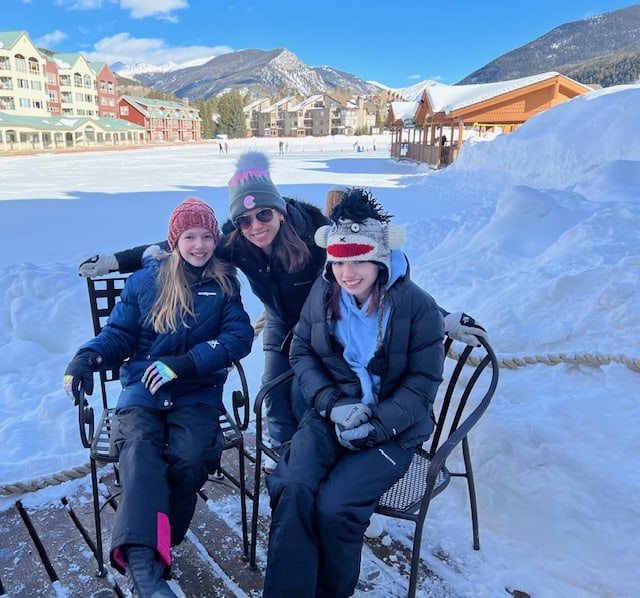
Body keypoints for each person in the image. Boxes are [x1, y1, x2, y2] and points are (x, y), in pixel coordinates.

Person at [77, 152, 330, 463]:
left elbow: (361, 257)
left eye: (264, 215)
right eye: (245, 220)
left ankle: (315, 460)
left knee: (307, 393)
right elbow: (176, 246)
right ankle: (286, 464)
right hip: (280, 320)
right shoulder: (237, 242)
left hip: (321, 322)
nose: (255, 226)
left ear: (279, 211)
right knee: (275, 395)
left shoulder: (317, 236)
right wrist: (117, 261)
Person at [64, 197, 254, 597]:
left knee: (191, 457)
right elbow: (119, 335)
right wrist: (87, 357)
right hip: (142, 390)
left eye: (206, 236)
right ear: (174, 240)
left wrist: (186, 363)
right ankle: (145, 571)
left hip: (196, 391)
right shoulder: (145, 281)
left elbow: (240, 337)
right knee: (138, 450)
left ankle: (160, 539)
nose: (199, 245)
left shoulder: (223, 282)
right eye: (190, 236)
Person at [263, 188, 446, 596]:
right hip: (332, 415)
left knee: (335, 508)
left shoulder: (418, 308)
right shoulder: (324, 293)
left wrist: (375, 426)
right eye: (340, 260)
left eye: (360, 258)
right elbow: (303, 352)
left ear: (380, 258)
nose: (348, 272)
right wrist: (332, 406)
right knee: (292, 488)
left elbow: (421, 387)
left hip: (394, 428)